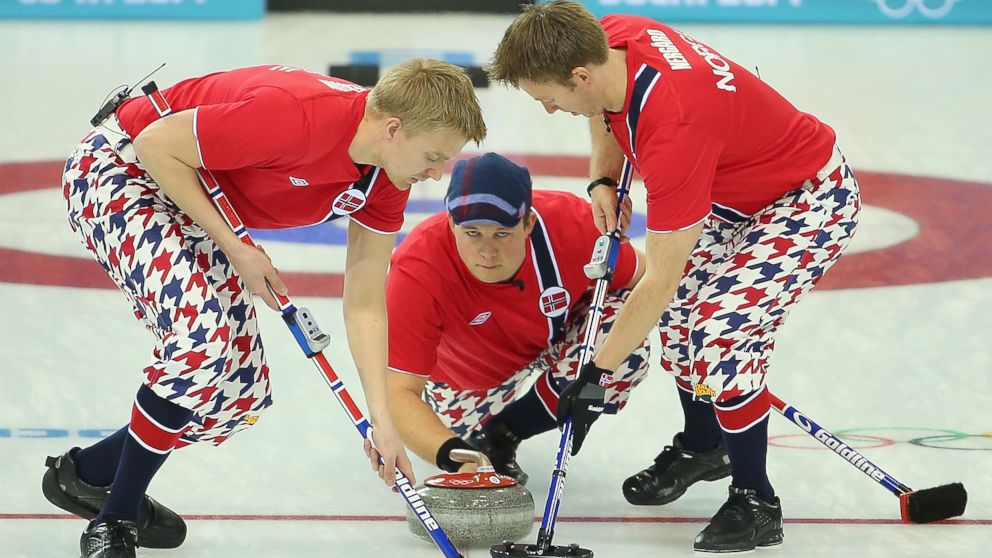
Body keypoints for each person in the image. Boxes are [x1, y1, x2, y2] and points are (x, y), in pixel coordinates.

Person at [47, 59, 486, 558]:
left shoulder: (387, 179)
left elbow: (365, 302)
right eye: (432, 157)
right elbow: (154, 144)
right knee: (205, 346)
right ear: (393, 128)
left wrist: (382, 421)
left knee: (237, 396)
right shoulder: (298, 116)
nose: (435, 174)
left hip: (190, 198)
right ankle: (116, 517)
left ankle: (88, 475)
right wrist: (236, 249)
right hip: (122, 174)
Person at [488, 2, 860, 552]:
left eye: (548, 96)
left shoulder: (676, 128)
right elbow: (605, 108)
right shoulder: (611, 36)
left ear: (580, 76)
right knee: (686, 318)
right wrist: (602, 179)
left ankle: (757, 501)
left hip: (807, 200)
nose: (546, 108)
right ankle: (705, 445)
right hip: (734, 195)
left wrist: (594, 377)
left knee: (721, 330)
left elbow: (656, 281)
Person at [385, 152, 650, 484]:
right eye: (472, 233)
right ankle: (483, 435)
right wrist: (462, 461)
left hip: (563, 333)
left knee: (626, 347)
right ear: (452, 223)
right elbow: (398, 393)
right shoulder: (417, 270)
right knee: (452, 436)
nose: (487, 251)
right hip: (470, 375)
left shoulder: (570, 223)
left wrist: (700, 393)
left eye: (501, 233)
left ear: (528, 224)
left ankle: (507, 431)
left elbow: (650, 280)